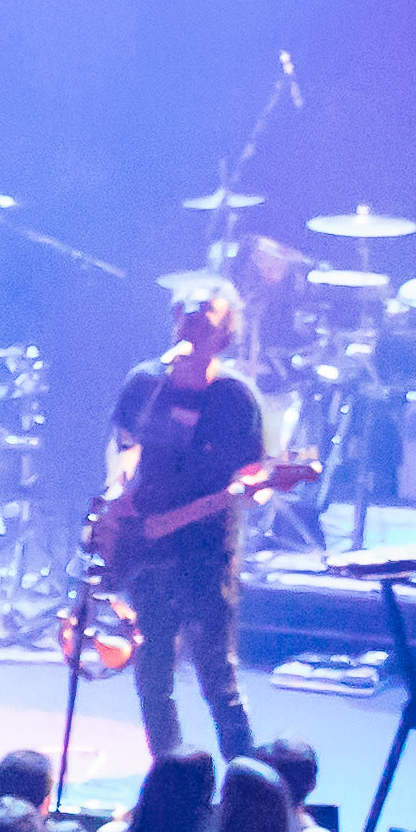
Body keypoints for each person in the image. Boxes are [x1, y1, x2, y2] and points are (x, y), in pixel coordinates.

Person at [104, 287, 276, 767]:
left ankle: (247, 786)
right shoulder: (146, 382)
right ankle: (171, 781)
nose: (193, 316)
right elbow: (122, 442)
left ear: (225, 330)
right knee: (152, 678)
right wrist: (118, 490)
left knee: (217, 678)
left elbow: (250, 478)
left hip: (204, 552)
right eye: (186, 309)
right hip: (145, 549)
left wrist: (177, 519)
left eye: (207, 311)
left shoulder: (234, 397)